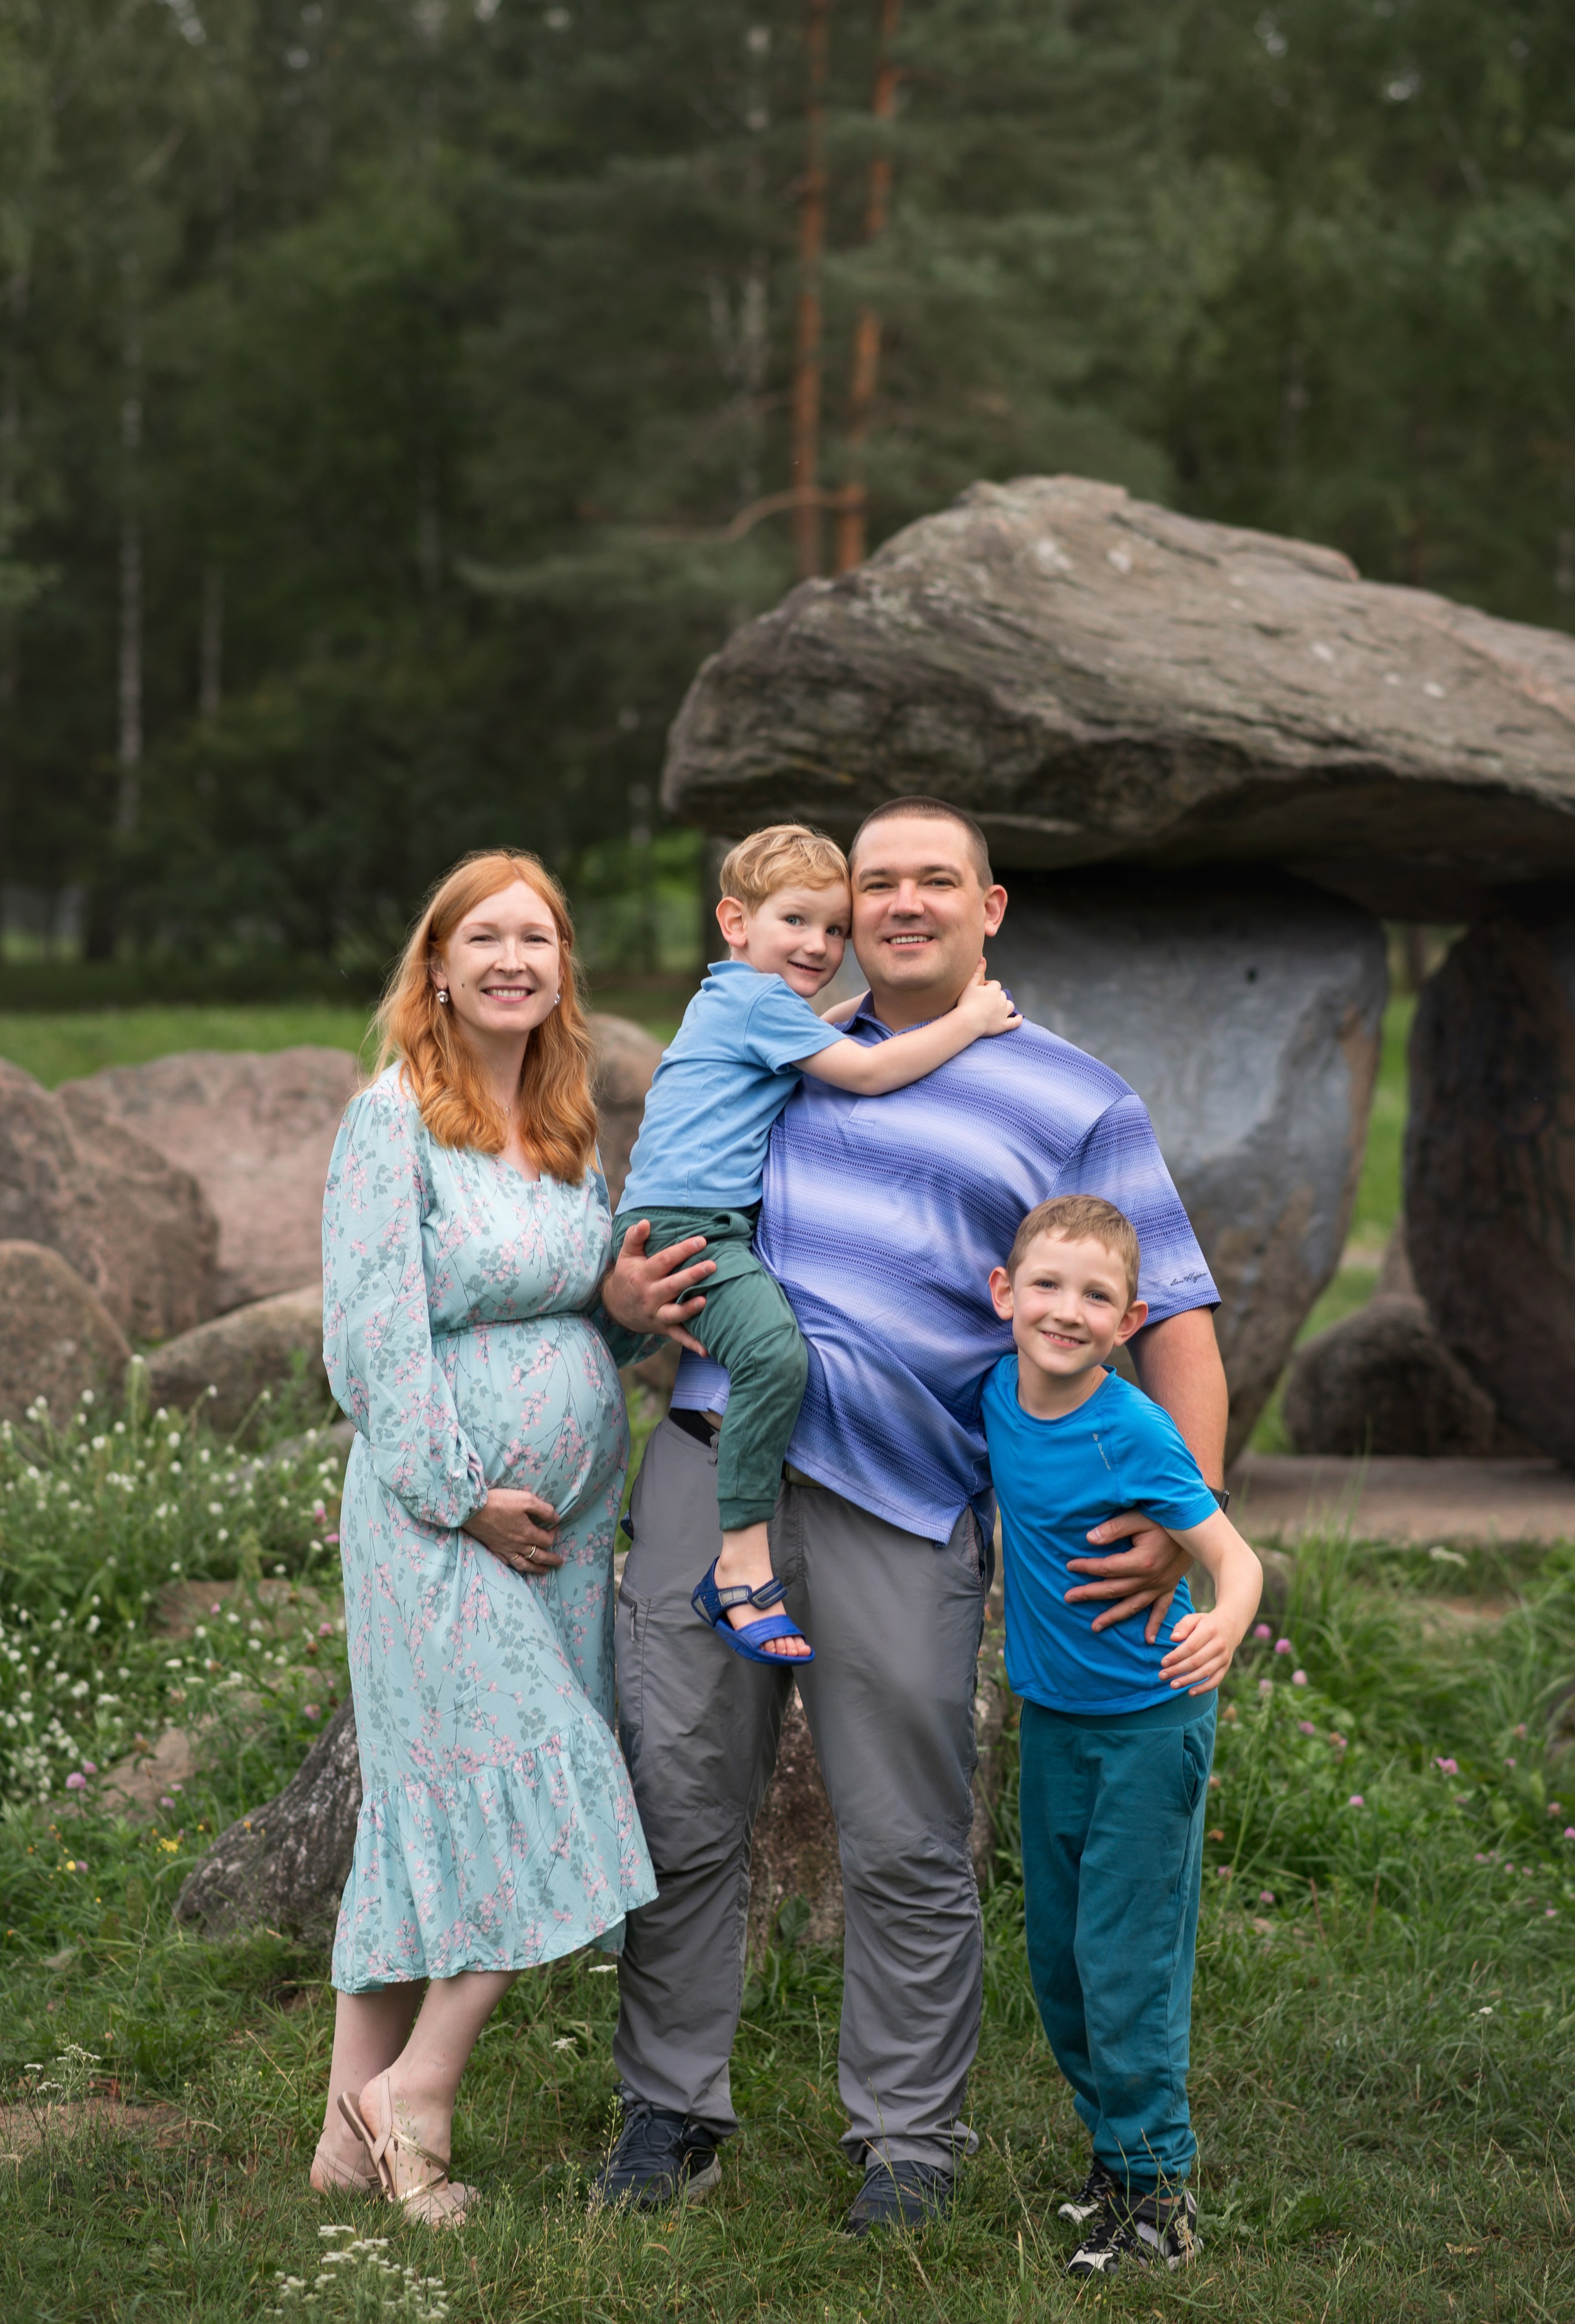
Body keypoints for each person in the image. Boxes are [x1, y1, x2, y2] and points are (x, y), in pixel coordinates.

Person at [597, 795, 1231, 2233]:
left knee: (904, 1836)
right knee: (685, 1800)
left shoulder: (1074, 1096)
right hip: (713, 1460)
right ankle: (668, 2107)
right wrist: (624, 1294)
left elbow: (1173, 1315)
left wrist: (1185, 1523)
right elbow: (655, 1231)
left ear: (988, 908)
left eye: (932, 880)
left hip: (904, 1493)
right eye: (872, 881)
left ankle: (905, 2140)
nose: (897, 903)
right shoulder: (771, 1035)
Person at [308, 848, 658, 2226]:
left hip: (558, 1538)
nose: (514, 958)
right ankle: (419, 2094)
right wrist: (462, 1493)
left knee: (424, 1821)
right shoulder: (390, 1119)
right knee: (560, 1785)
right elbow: (373, 1341)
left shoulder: (567, 1133)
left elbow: (588, 1310)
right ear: (437, 968)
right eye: (485, 938)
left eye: (539, 938)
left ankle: (342, 2142)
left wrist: (627, 1300)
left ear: (562, 969)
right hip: (433, 1525)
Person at [613, 821, 1018, 1664]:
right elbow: (868, 1072)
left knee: (759, 1355)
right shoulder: (762, 1005)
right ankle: (740, 1564)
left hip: (680, 1219)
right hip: (694, 1229)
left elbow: (820, 1043)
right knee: (775, 1360)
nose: (821, 944)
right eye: (796, 921)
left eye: (836, 929)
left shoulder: (735, 999)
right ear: (736, 921)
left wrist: (850, 1015)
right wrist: (971, 1018)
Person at [981, 1193, 1262, 2277]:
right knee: (1058, 1958)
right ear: (1004, 1296)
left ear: (1129, 1317)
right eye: (1045, 1285)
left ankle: (1160, 2199)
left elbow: (1236, 1561)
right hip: (1054, 1719)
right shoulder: (996, 1394)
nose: (1066, 1310)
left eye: (1096, 1296)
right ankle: (1116, 2155)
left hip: (1150, 1723)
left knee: (1124, 1956)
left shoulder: (1133, 1428)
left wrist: (1227, 1622)